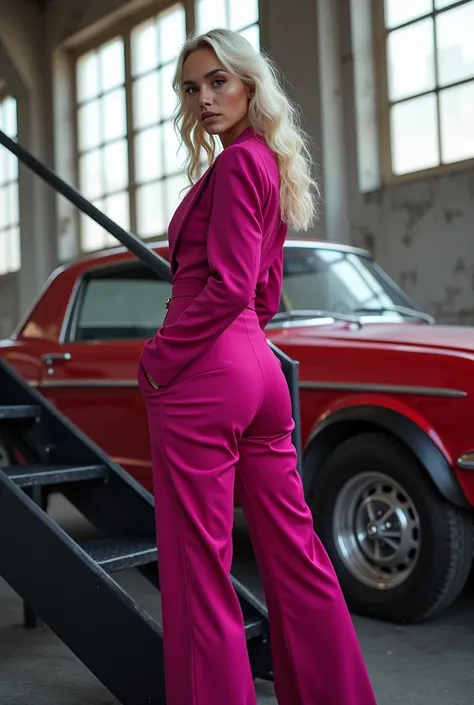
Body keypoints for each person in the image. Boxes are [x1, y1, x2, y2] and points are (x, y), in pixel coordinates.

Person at [138, 27, 378, 705]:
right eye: (192, 87)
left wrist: (160, 359)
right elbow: (266, 293)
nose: (206, 98)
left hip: (203, 375)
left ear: (249, 83)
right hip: (257, 374)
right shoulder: (265, 161)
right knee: (297, 557)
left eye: (219, 81)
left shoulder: (237, 164)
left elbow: (232, 287)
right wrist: (238, 346)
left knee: (200, 571)